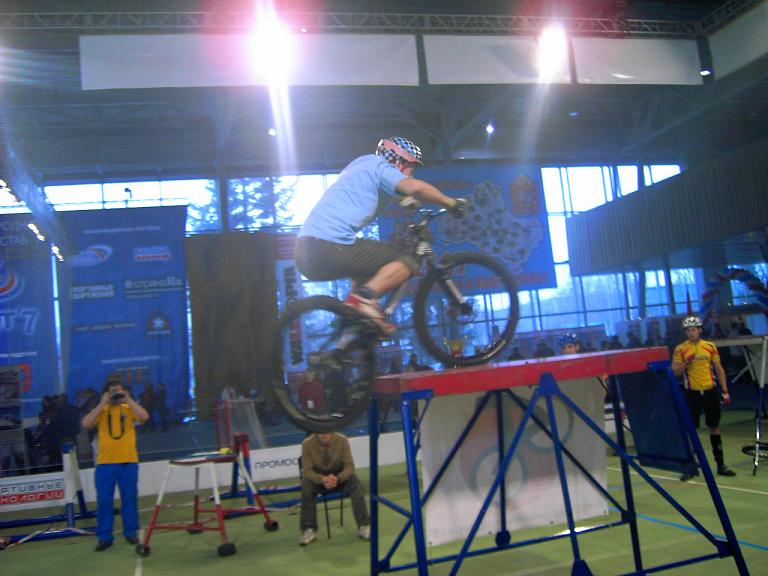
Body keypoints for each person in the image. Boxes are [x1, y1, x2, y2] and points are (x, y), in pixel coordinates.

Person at [294, 137, 466, 334]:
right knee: (405, 260)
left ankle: (352, 326)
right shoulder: (382, 167)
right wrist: (450, 203)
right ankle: (364, 299)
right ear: (398, 162)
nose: (412, 175)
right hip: (328, 245)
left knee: (370, 269)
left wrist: (408, 200)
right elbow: (416, 188)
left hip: (305, 253)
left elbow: (373, 189)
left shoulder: (361, 164)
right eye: (411, 169)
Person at [81, 374, 149, 551]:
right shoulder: (101, 410)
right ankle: (105, 537)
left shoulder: (128, 408)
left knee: (129, 499)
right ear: (105, 393)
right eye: (112, 392)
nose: (115, 395)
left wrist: (128, 399)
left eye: (118, 392)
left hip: (128, 461)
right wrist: (102, 403)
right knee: (104, 501)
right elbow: (86, 424)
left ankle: (131, 531)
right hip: (105, 463)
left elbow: (144, 417)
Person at [671, 315, 736, 480]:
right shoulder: (681, 349)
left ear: (700, 330)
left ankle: (721, 464)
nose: (691, 333)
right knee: (690, 429)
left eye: (693, 329)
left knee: (714, 426)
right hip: (691, 392)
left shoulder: (709, 346)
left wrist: (725, 391)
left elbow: (719, 368)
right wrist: (685, 364)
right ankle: (690, 467)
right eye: (688, 330)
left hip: (710, 390)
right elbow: (674, 372)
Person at [299, 431, 370, 546]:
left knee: (356, 485)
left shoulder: (342, 439)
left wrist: (338, 478)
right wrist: (322, 479)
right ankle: (309, 529)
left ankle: (364, 525)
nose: (324, 434)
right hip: (318, 479)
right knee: (306, 486)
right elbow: (307, 471)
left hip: (339, 477)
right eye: (320, 432)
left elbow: (350, 466)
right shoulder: (307, 443)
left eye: (327, 431)